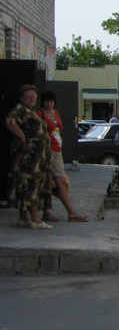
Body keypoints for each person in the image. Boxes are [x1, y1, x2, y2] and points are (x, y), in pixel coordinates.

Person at [4, 84, 54, 229]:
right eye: (28, 97)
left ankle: (24, 217)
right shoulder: (20, 109)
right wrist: (22, 137)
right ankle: (36, 219)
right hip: (29, 157)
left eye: (33, 97)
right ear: (22, 98)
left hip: (35, 157)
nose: (31, 99)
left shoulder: (28, 111)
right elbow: (9, 122)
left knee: (24, 185)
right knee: (32, 185)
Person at [37, 91, 88, 222]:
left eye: (51, 101)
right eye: (47, 101)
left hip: (57, 149)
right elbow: (47, 127)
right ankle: (57, 211)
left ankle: (65, 212)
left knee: (59, 181)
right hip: (46, 150)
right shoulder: (39, 113)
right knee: (48, 181)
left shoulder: (56, 113)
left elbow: (59, 126)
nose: (49, 104)